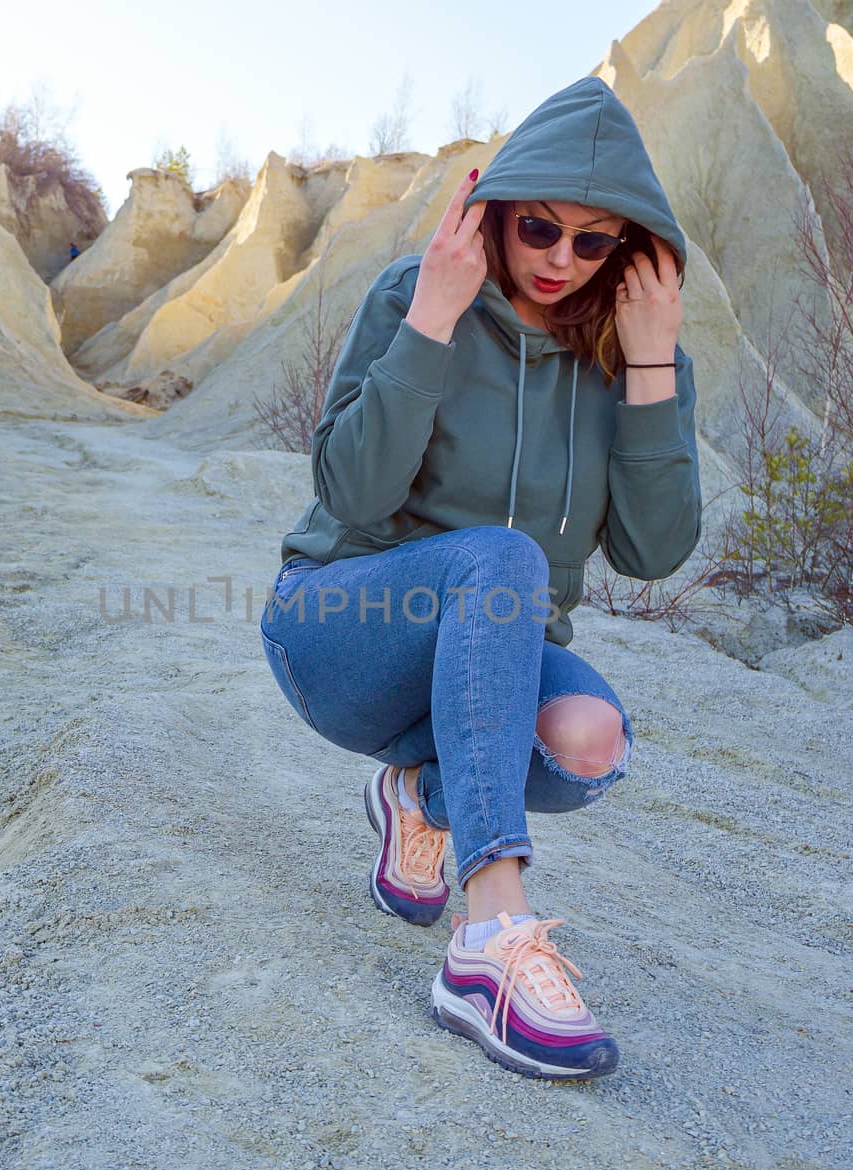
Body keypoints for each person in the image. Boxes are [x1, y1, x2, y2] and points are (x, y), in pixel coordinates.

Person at [259, 75, 699, 1080]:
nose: (559, 259)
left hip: (484, 658)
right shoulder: (414, 294)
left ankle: (422, 791)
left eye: (593, 242)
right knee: (505, 559)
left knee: (588, 744)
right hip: (340, 627)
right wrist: (432, 319)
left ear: (627, 252)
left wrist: (651, 371)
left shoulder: (629, 354)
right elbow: (351, 490)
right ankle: (487, 942)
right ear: (498, 211)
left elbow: (650, 551)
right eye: (540, 227)